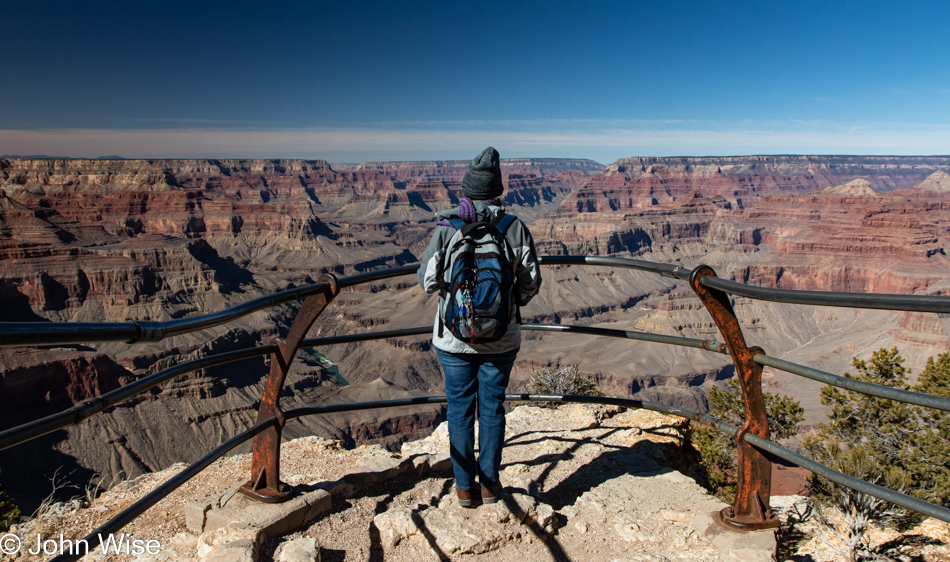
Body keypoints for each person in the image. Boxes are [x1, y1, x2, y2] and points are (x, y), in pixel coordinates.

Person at [417, 146, 542, 507]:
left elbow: (427, 281)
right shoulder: (513, 227)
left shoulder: (448, 226)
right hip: (502, 339)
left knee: (459, 410)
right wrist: (503, 306)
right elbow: (530, 282)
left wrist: (458, 297)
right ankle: (489, 486)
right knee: (492, 409)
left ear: (466, 191)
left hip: (453, 339)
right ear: (497, 191)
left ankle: (463, 488)